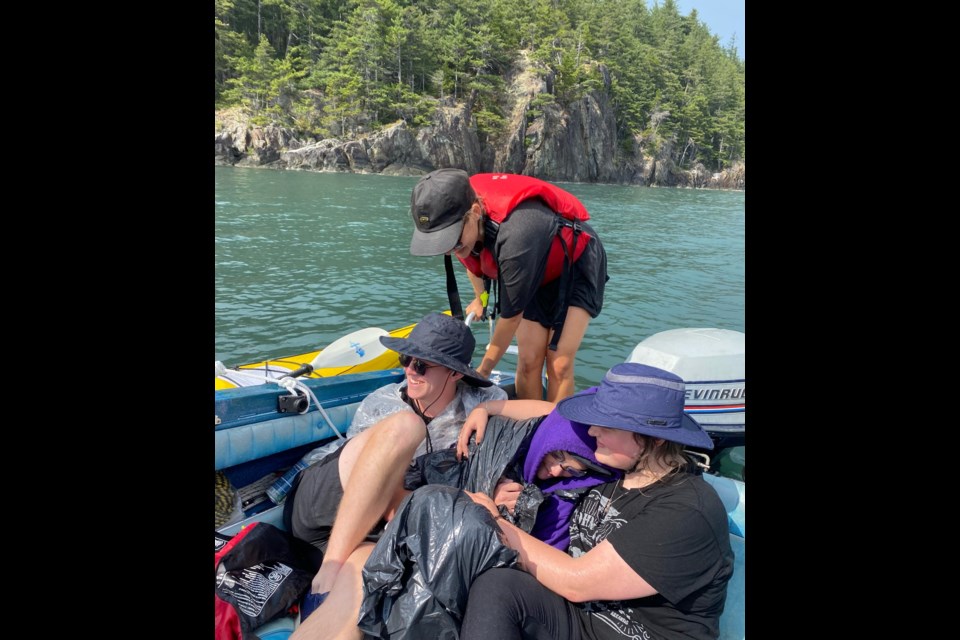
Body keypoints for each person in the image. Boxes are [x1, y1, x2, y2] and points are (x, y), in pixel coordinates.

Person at [459, 362, 735, 640]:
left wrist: (493, 519)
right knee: (497, 585)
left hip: (640, 633)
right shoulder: (614, 469)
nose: (592, 432)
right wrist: (487, 409)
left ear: (655, 439)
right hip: (582, 618)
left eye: (608, 425)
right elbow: (552, 413)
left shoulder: (686, 510)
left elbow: (577, 582)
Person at [285, 312, 506, 633]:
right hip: (325, 504)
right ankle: (327, 572)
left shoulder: (480, 403)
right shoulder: (384, 403)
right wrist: (460, 499)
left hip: (374, 533)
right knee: (407, 426)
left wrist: (496, 482)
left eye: (421, 365)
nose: (409, 371)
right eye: (406, 359)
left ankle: (322, 602)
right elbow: (374, 491)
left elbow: (530, 418)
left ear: (456, 374)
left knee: (366, 583)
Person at [407, 168, 609, 402]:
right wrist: (481, 298)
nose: (450, 248)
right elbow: (472, 259)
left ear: (474, 212)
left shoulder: (518, 233)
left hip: (574, 260)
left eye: (452, 239)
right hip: (532, 270)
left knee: (559, 362)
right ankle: (528, 425)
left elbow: (511, 317)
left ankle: (555, 432)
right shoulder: (460, 222)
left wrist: (480, 374)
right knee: (529, 359)